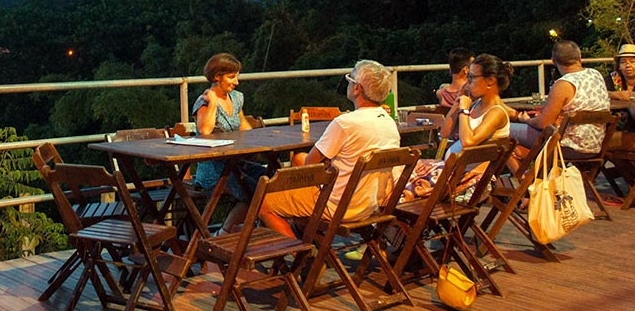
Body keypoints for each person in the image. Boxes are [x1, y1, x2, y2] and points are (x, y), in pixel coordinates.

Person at [259, 59, 400, 238]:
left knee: (264, 202)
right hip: (369, 204)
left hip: (338, 206)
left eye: (350, 80)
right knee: (298, 160)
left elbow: (311, 163)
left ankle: (301, 256)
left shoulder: (345, 123)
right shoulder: (389, 122)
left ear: (357, 88)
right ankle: (307, 234)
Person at [402, 54, 513, 202]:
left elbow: (468, 142)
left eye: (472, 77)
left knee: (402, 181)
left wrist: (464, 110)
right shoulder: (476, 105)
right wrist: (457, 103)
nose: (467, 83)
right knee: (402, 171)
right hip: (453, 174)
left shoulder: (496, 112)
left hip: (466, 182)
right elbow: (445, 132)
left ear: (490, 81)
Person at [192, 53, 266, 234]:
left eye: (237, 76)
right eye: (232, 77)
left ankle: (263, 230)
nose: (236, 82)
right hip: (214, 167)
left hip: (237, 162)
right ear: (217, 77)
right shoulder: (204, 101)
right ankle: (224, 233)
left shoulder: (237, 98)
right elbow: (205, 131)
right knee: (254, 190)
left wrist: (260, 140)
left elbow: (243, 126)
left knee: (270, 179)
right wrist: (213, 104)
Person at [508, 39, 610, 159]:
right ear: (580, 57)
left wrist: (525, 120)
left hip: (566, 147)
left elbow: (543, 123)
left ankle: (520, 175)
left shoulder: (563, 84)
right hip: (595, 146)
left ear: (553, 61)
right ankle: (526, 165)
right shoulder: (596, 74)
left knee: (505, 128)